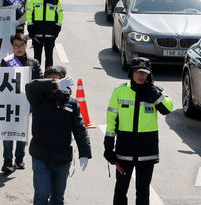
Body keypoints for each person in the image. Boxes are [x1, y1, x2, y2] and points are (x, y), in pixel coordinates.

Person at [105, 57, 173, 205]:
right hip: (125, 148)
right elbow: (111, 120)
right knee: (121, 189)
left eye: (145, 72)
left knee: (143, 191)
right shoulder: (119, 92)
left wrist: (154, 92)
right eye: (138, 72)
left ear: (149, 74)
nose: (141, 76)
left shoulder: (156, 92)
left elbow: (167, 109)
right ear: (131, 72)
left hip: (147, 150)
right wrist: (108, 145)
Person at [26, 66, 91, 205]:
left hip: (62, 158)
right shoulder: (38, 99)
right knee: (42, 195)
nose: (54, 83)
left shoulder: (71, 103)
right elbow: (30, 87)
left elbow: (80, 129)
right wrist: (54, 84)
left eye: (57, 80)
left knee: (57, 198)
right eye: (50, 80)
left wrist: (84, 152)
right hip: (40, 155)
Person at [0, 33, 42, 174]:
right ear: (12, 46)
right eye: (16, 46)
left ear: (26, 45)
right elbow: (0, 81)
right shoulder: (6, 62)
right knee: (7, 133)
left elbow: (39, 82)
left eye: (22, 45)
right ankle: (7, 160)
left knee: (21, 133)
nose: (19, 48)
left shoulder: (34, 63)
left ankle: (19, 159)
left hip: (26, 104)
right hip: (9, 103)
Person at [26, 0, 63, 69]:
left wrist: (57, 28)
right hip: (37, 34)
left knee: (49, 58)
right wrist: (30, 28)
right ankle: (36, 76)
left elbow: (60, 15)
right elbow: (29, 14)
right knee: (37, 58)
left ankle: (48, 77)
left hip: (50, 34)